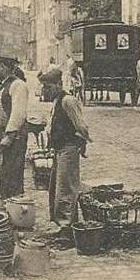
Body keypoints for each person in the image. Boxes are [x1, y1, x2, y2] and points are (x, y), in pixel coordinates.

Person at [42, 68, 92, 224]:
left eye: (49, 87)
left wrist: (82, 143)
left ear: (59, 84)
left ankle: (68, 228)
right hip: (59, 149)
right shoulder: (57, 101)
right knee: (57, 188)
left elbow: (81, 126)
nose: (46, 90)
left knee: (66, 190)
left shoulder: (68, 101)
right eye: (44, 87)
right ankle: (62, 224)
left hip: (68, 149)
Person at [0, 55, 29, 200]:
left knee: (9, 175)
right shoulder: (3, 85)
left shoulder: (18, 85)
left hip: (10, 138)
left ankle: (11, 207)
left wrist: (9, 136)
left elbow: (18, 112)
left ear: (3, 67)